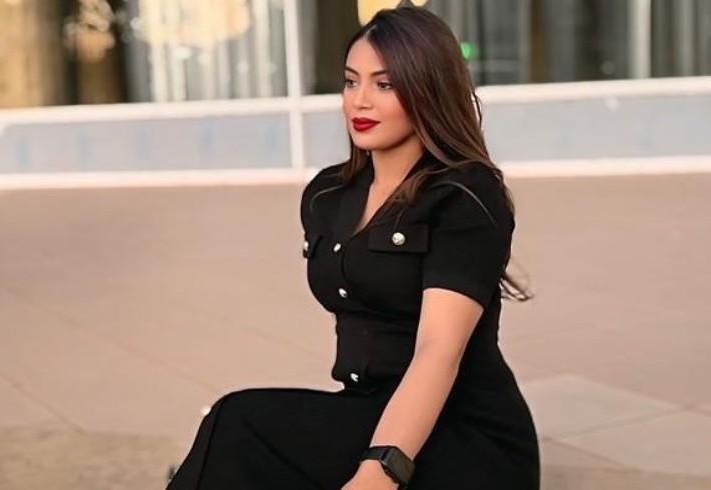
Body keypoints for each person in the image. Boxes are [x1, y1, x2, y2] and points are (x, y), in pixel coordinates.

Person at [166, 5, 540, 490]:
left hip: (468, 438)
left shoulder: (464, 197)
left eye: (384, 85)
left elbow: (437, 352)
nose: (359, 102)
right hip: (368, 410)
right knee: (236, 436)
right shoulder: (329, 195)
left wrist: (380, 470)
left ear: (427, 90)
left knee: (238, 425)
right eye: (350, 81)